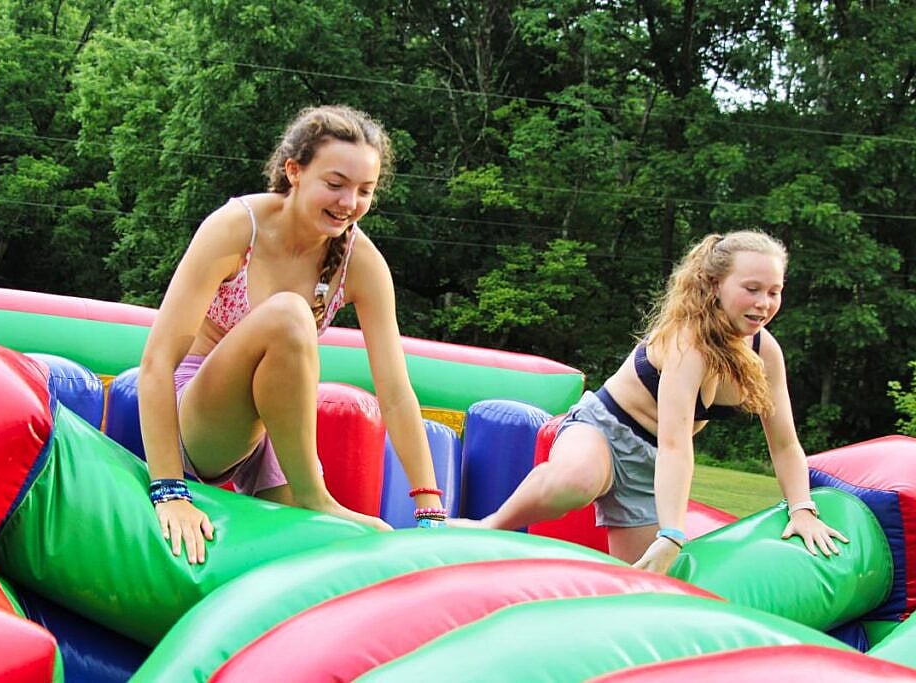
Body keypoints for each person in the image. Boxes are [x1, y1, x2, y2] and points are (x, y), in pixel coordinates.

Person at [139, 105, 445, 564]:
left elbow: (396, 394)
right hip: (202, 415)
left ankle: (308, 499)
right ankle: (315, 496)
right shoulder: (235, 227)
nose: (349, 203)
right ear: (294, 171)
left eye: (365, 191)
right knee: (288, 314)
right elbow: (157, 361)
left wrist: (430, 509)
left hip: (272, 429)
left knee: (315, 558)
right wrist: (169, 492)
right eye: (335, 184)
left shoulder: (360, 262)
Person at [450, 230, 848, 574]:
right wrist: (673, 532)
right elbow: (678, 445)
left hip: (651, 465)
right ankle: (491, 525)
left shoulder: (765, 352)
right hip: (603, 430)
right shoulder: (687, 342)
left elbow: (784, 443)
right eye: (751, 289)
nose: (764, 302)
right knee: (575, 482)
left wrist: (801, 508)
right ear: (714, 285)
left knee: (643, 582)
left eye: (774, 291)